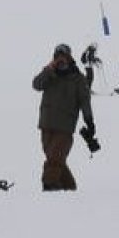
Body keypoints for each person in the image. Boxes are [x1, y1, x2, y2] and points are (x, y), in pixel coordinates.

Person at [32, 44, 94, 191]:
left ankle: (49, 184)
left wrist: (89, 121)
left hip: (65, 127)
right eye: (57, 57)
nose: (61, 61)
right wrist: (48, 70)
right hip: (46, 125)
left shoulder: (78, 79)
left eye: (63, 57)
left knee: (54, 159)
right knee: (56, 159)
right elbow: (36, 85)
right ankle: (69, 188)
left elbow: (85, 101)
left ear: (69, 58)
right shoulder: (49, 74)